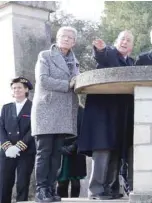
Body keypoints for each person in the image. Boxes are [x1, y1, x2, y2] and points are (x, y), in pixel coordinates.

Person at [78, 30, 135, 200]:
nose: (125, 42)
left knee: (116, 150)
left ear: (132, 46)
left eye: (128, 40)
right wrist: (100, 49)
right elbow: (101, 56)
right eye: (122, 39)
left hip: (120, 115)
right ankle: (95, 190)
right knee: (102, 149)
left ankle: (110, 188)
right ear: (116, 42)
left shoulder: (131, 62)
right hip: (102, 114)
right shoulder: (110, 53)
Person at [32, 26, 80, 202]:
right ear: (57, 38)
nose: (66, 39)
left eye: (70, 37)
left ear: (74, 42)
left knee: (56, 154)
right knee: (44, 152)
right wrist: (68, 84)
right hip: (46, 109)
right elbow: (43, 80)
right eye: (63, 36)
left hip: (63, 112)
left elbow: (78, 82)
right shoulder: (45, 55)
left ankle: (51, 188)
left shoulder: (75, 62)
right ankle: (41, 190)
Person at [0, 77, 35, 203]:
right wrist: (7, 146)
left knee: (22, 184)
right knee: (4, 183)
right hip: (7, 151)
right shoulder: (6, 108)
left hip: (25, 151)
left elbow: (34, 129)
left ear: (26, 89)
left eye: (19, 87)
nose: (16, 90)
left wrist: (19, 146)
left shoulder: (34, 106)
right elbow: (1, 127)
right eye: (14, 88)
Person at [57, 104, 86, 198]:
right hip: (61, 148)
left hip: (77, 149)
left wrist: (74, 146)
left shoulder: (81, 110)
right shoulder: (57, 109)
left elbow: (84, 130)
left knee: (76, 183)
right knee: (62, 182)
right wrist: (60, 147)